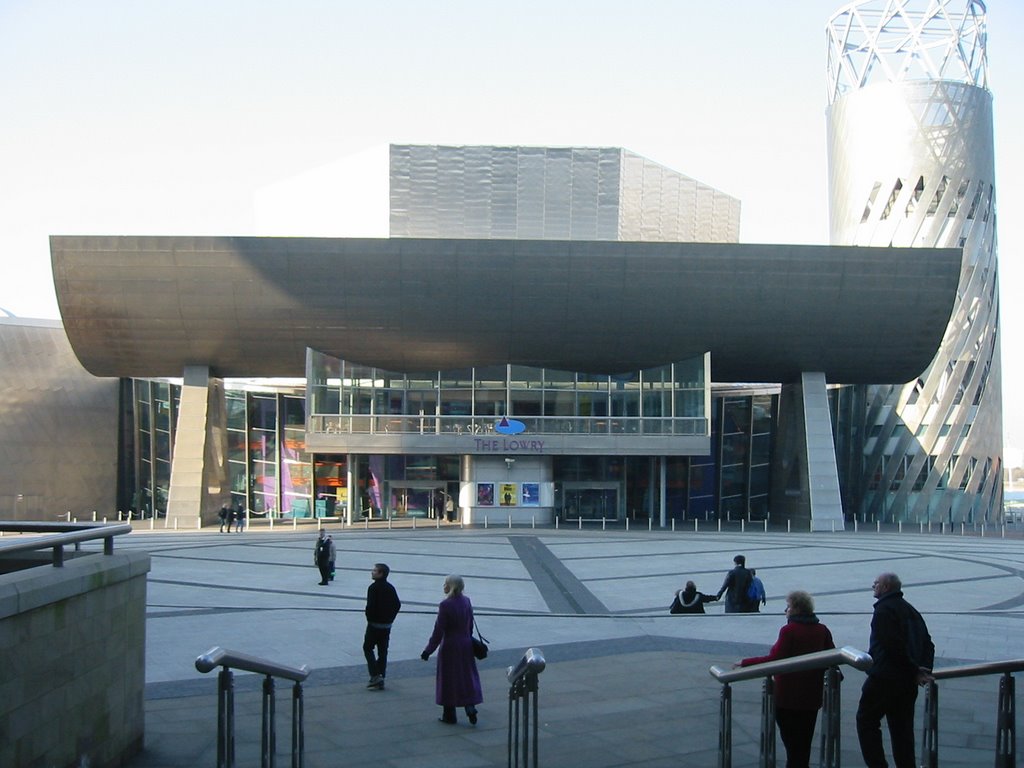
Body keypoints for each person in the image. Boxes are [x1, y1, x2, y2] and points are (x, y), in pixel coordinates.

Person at [736, 590, 835, 768]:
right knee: (804, 743)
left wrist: (745, 662)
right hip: (811, 697)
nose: (786, 610)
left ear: (796, 608)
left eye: (788, 606)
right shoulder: (822, 629)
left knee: (791, 742)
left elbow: (775, 659)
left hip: (788, 697)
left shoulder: (789, 630)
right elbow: (832, 657)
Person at [857, 572, 934, 768]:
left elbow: (892, 646)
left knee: (866, 721)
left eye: (876, 583)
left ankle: (878, 765)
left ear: (886, 587)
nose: (872, 586)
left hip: (885, 678)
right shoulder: (910, 609)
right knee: (902, 730)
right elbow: (928, 643)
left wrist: (915, 670)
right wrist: (923, 668)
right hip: (907, 683)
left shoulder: (884, 610)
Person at [420, 574, 483, 725]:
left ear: (451, 586)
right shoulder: (466, 601)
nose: (444, 586)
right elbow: (470, 625)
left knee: (448, 679)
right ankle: (470, 707)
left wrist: (428, 650)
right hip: (466, 643)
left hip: (450, 645)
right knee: (466, 676)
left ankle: (449, 714)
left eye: (445, 584)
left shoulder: (445, 605)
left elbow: (439, 631)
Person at [364, 563, 401, 690]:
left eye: (374, 571)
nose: (372, 572)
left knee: (368, 648)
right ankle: (381, 676)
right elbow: (397, 604)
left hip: (374, 625)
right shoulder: (390, 587)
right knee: (383, 651)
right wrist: (390, 618)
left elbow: (370, 606)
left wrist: (370, 618)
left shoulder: (373, 588)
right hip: (386, 625)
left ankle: (375, 675)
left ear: (381, 574)